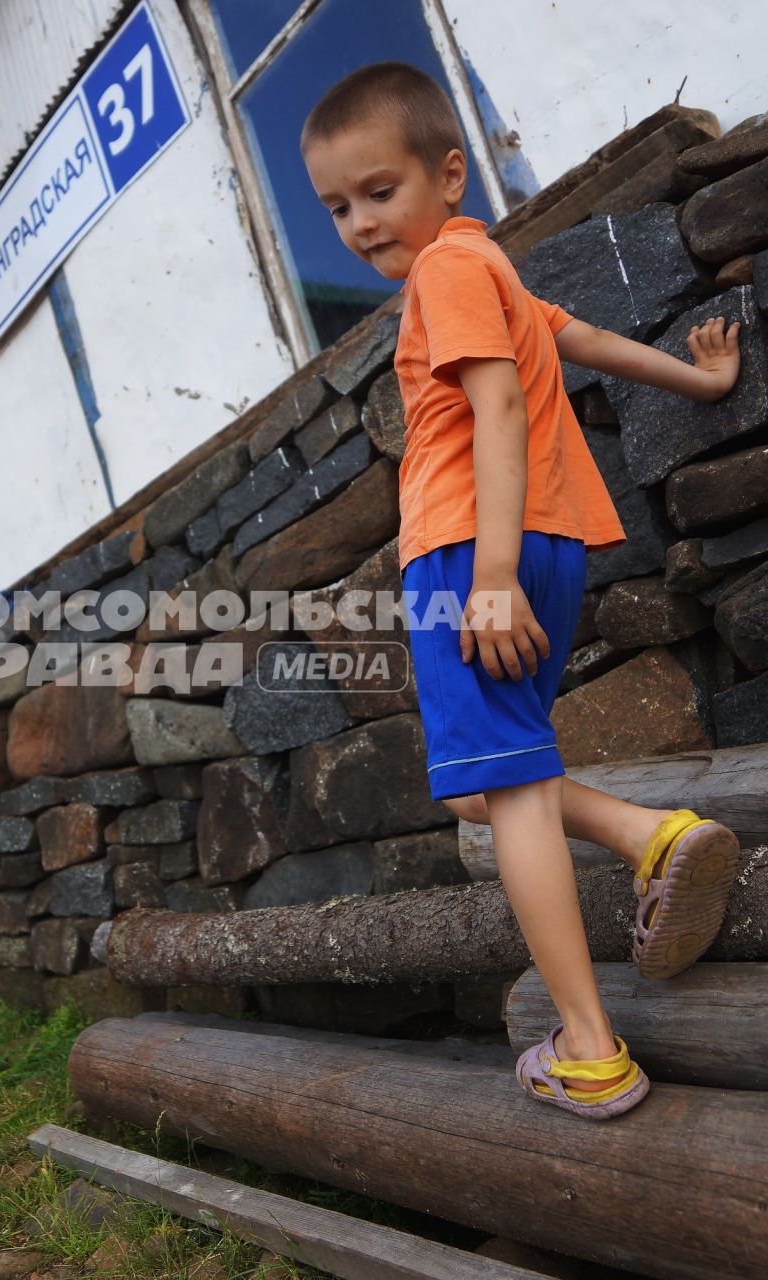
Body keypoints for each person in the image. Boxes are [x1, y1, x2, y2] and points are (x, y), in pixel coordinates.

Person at [301, 62, 744, 1120]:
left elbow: (496, 410)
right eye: (334, 207)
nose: (359, 223)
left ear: (447, 173)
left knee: (500, 788)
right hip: (542, 543)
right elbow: (576, 340)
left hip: (472, 553)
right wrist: (703, 379)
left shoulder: (444, 276)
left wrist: (487, 576)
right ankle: (652, 837)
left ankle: (588, 1044)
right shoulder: (480, 262)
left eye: (377, 191)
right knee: (483, 782)